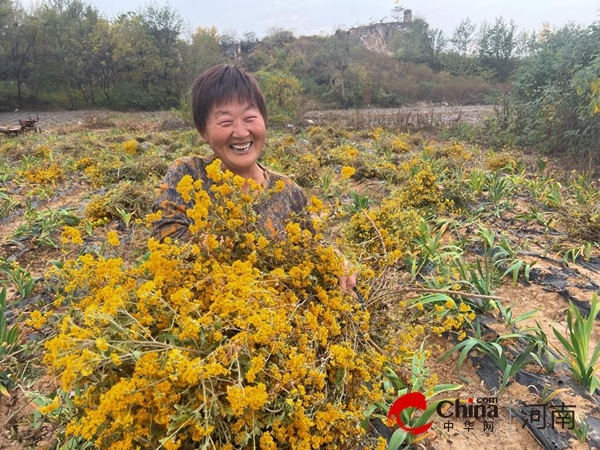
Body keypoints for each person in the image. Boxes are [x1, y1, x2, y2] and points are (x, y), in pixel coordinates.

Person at [152, 64, 357, 292]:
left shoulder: (288, 191)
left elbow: (313, 244)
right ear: (203, 132)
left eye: (250, 118)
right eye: (225, 122)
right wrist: (215, 245)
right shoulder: (188, 174)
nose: (240, 132)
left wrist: (334, 258)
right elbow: (166, 242)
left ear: (264, 120)